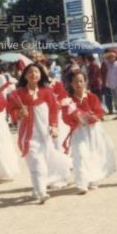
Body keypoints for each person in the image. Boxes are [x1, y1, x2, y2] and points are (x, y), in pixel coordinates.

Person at [7, 63, 72, 204]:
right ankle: (42, 192)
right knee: (36, 163)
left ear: (41, 75)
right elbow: (11, 111)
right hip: (28, 136)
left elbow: (54, 110)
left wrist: (54, 126)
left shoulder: (47, 92)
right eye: (30, 72)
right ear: (24, 75)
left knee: (45, 161)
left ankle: (37, 189)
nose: (33, 74)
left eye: (36, 72)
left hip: (44, 135)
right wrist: (19, 113)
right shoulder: (17, 94)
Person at [61, 69, 116, 193]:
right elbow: (65, 117)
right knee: (80, 154)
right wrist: (74, 119)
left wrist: (91, 116)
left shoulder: (92, 97)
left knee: (94, 153)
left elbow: (99, 111)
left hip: (93, 130)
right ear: (71, 84)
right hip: (78, 131)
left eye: (81, 81)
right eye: (75, 82)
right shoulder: (68, 101)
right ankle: (81, 183)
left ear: (85, 82)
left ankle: (93, 179)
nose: (78, 84)